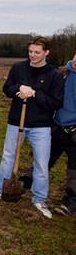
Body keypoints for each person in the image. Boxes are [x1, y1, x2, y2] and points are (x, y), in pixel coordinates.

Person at [0, 36, 63, 219]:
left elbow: (56, 103)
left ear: (46, 52)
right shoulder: (19, 68)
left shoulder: (54, 75)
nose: (33, 55)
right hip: (16, 121)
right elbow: (6, 88)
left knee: (41, 164)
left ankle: (39, 198)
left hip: (41, 126)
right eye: (30, 52)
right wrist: (19, 87)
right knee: (7, 157)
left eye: (37, 52)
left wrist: (35, 94)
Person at [52, 54, 76, 215]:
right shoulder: (61, 73)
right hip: (57, 125)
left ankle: (71, 200)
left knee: (74, 168)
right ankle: (26, 183)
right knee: (43, 157)